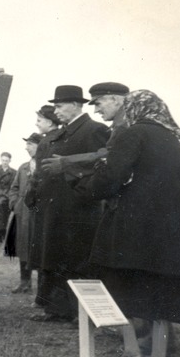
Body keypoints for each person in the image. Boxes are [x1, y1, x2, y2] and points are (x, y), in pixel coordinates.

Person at [80, 90, 180, 357]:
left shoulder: (133, 134)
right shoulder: (175, 142)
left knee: (121, 288)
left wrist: (91, 185)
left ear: (135, 109)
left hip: (132, 229)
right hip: (171, 232)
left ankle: (132, 354)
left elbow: (110, 179)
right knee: (162, 294)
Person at [30, 85, 108, 322]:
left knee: (77, 259)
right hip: (56, 207)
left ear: (76, 105)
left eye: (60, 105)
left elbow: (101, 162)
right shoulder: (63, 132)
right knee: (55, 256)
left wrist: (69, 168)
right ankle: (57, 309)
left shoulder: (96, 129)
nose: (56, 110)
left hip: (79, 207)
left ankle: (79, 314)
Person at [25, 105, 62, 307]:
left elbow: (40, 175)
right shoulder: (56, 138)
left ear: (49, 122)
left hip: (44, 200)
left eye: (39, 120)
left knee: (43, 251)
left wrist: (31, 194)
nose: (36, 123)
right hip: (49, 201)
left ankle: (45, 300)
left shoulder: (48, 141)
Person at [4, 133, 41, 294]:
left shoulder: (45, 165)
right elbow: (14, 188)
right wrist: (14, 204)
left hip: (39, 214)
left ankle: (43, 288)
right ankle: (24, 283)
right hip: (22, 214)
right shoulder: (23, 167)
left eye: (30, 144)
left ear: (40, 146)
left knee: (39, 248)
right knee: (22, 248)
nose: (27, 148)